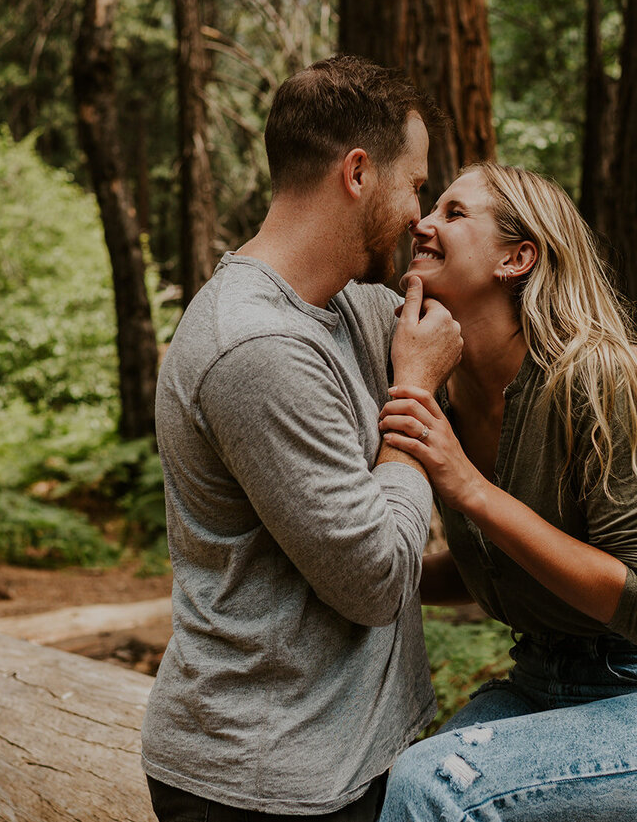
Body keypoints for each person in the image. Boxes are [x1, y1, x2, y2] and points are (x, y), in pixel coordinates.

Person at [376, 163, 637, 822]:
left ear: (518, 257)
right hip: (542, 682)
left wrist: (468, 487)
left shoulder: (593, 379)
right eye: (430, 208)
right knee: (383, 783)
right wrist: (356, 566)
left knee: (431, 785)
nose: (424, 223)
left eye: (454, 212)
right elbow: (494, 564)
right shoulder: (431, 377)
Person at [140, 55, 463, 821]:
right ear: (358, 172)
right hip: (263, 785)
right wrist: (412, 394)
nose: (421, 216)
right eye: (415, 183)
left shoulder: (344, 306)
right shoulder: (255, 345)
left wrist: (628, 362)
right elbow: (376, 580)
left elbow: (475, 332)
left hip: (334, 758)